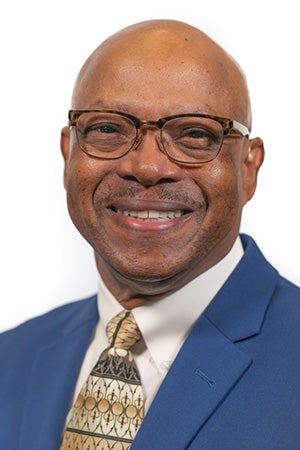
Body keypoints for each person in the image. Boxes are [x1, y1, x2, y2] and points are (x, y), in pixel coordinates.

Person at [1, 19, 300, 450]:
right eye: (107, 129)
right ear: (68, 155)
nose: (146, 167)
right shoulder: (10, 359)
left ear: (249, 169)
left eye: (195, 133)